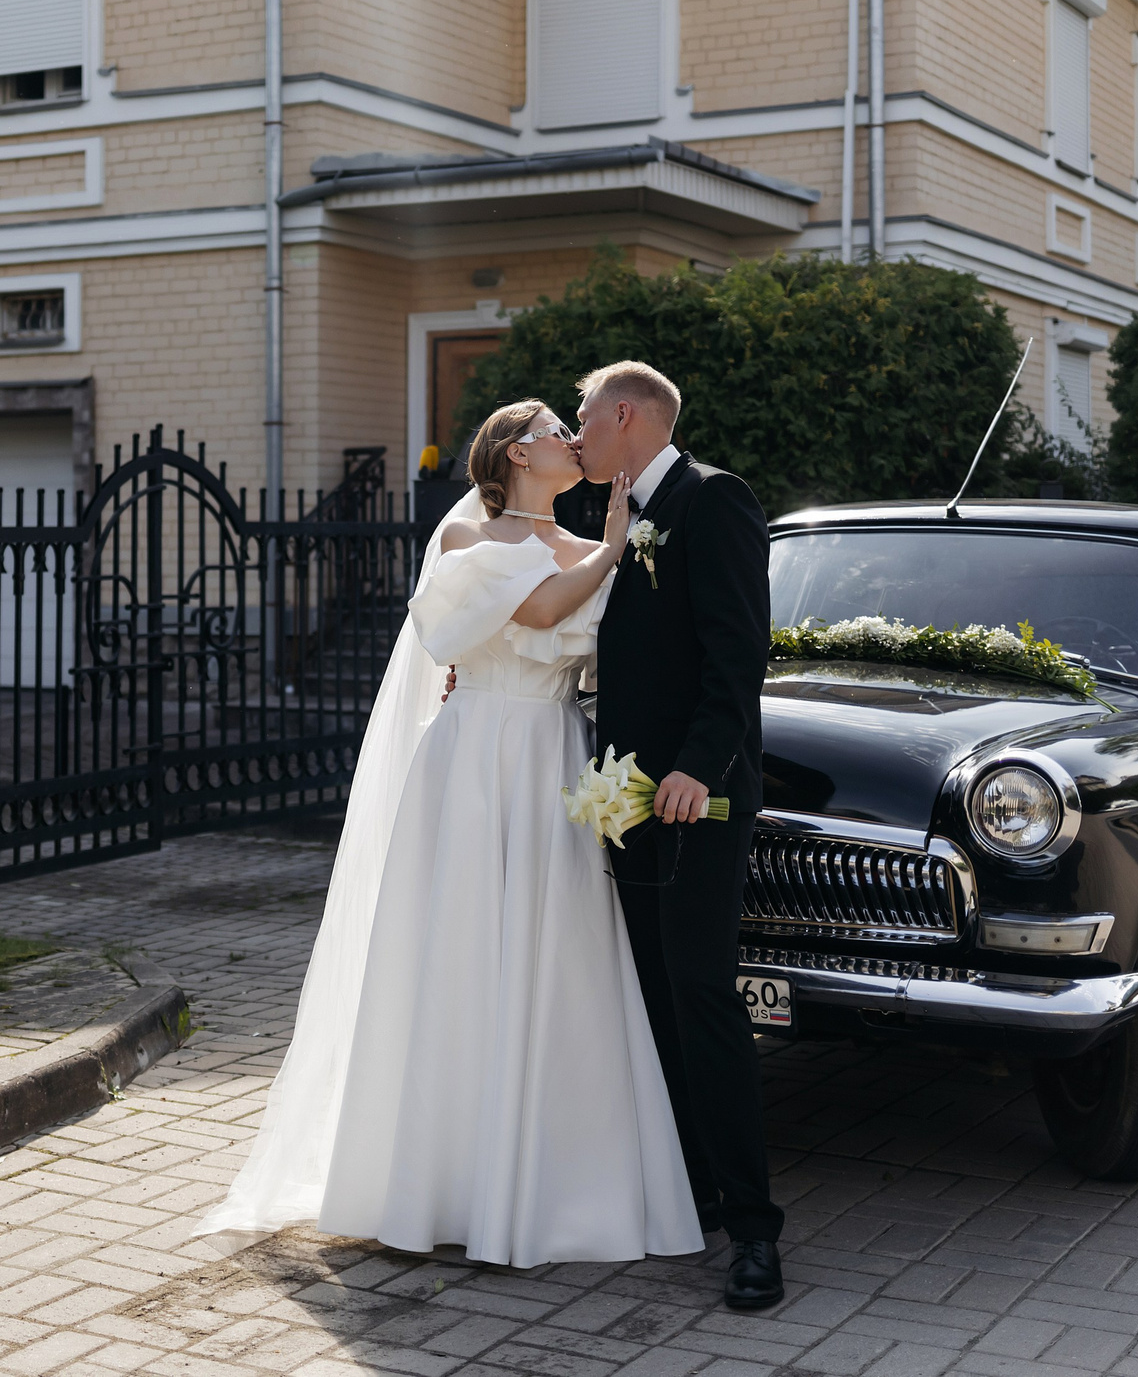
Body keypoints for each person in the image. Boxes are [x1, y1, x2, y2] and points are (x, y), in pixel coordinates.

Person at [197, 398, 701, 1267]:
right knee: (460, 955)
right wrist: (616, 547)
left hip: (550, 758)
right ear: (512, 453)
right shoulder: (471, 541)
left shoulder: (589, 552)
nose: (570, 441)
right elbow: (539, 614)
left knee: (554, 955)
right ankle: (436, 1181)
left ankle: (545, 1184)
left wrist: (613, 554)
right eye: (553, 431)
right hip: (472, 760)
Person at [574, 359, 786, 1310]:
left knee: (703, 996)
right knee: (653, 996)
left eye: (583, 417)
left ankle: (755, 1229)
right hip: (625, 798)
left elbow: (739, 650)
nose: (577, 434)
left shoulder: (714, 501)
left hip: (698, 800)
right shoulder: (613, 517)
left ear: (626, 414)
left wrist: (700, 764)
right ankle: (689, 1185)